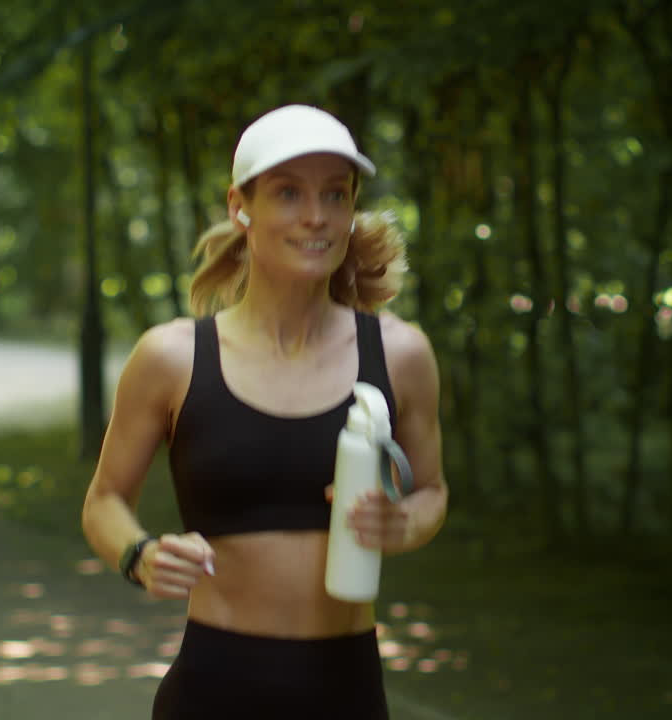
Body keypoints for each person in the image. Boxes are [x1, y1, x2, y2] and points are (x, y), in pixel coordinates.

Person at [81, 104, 448, 719]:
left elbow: (432, 490)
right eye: (288, 193)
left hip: (347, 693)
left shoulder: (401, 353)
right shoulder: (172, 358)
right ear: (239, 206)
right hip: (213, 691)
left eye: (336, 194)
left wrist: (403, 524)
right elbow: (104, 501)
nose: (316, 216)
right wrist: (139, 554)